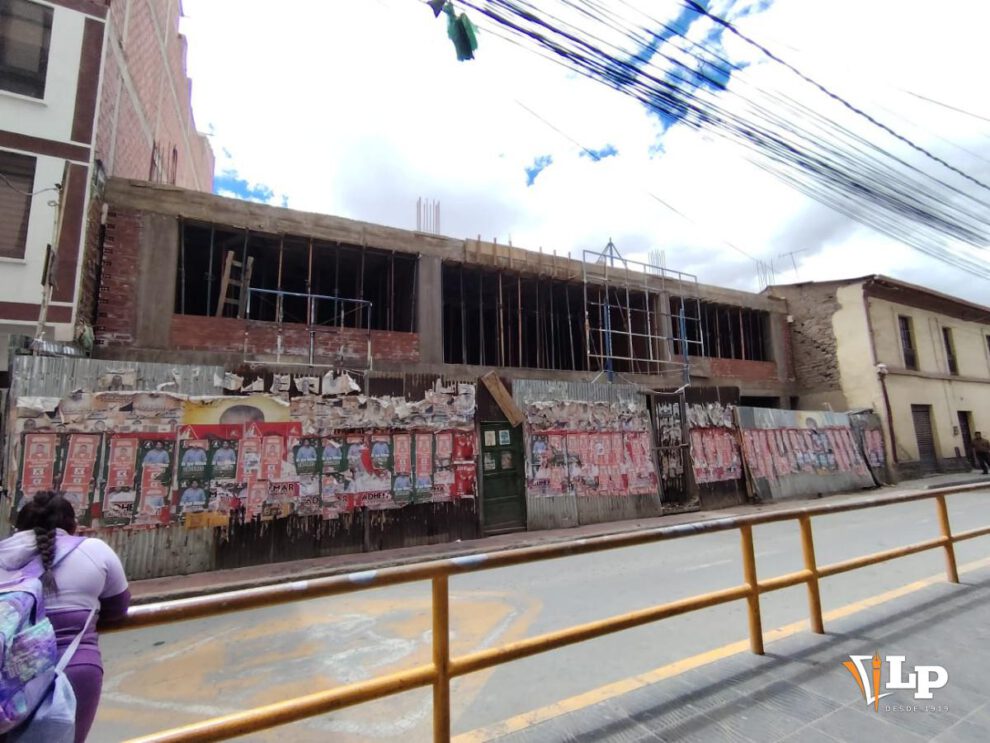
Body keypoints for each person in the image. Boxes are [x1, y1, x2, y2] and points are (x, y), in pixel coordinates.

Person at [0, 491, 129, 743]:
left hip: (8, 678)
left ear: (18, 528)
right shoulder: (95, 551)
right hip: (76, 669)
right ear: (73, 527)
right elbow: (118, 608)